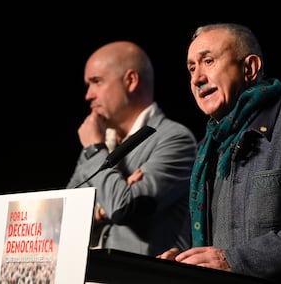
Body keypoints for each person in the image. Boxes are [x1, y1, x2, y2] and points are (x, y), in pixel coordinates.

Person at [157, 23, 281, 284]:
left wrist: (234, 261)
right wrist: (186, 262)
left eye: (208, 61)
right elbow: (216, 250)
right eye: (191, 68)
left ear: (250, 68)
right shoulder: (206, 149)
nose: (197, 78)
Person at [66, 41, 197, 257]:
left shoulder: (174, 138)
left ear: (131, 80)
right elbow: (63, 217)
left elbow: (124, 208)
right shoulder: (99, 143)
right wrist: (102, 210)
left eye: (96, 82)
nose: (88, 95)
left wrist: (95, 149)